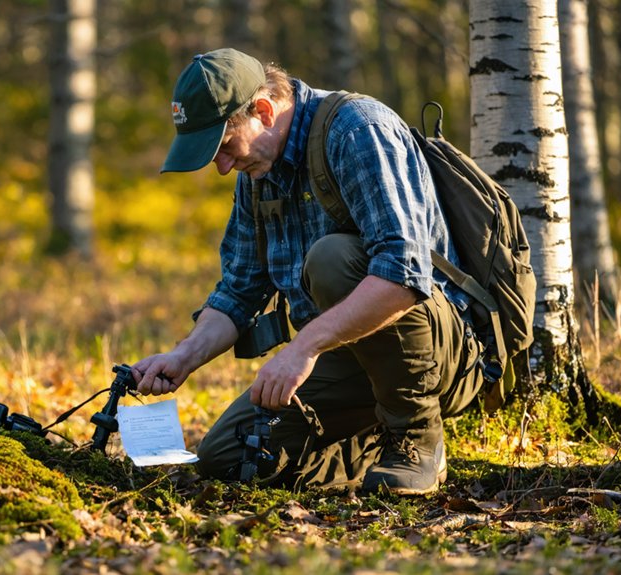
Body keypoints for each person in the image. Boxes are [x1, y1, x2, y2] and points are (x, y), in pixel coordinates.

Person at [130, 48, 485, 495]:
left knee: (333, 260)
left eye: (223, 147)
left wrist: (303, 348)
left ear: (261, 110)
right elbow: (238, 293)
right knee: (228, 459)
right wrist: (182, 358)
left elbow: (403, 276)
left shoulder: (358, 130)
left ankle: (417, 441)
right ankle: (377, 447)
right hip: (345, 350)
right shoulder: (257, 173)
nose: (222, 167)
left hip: (439, 350)